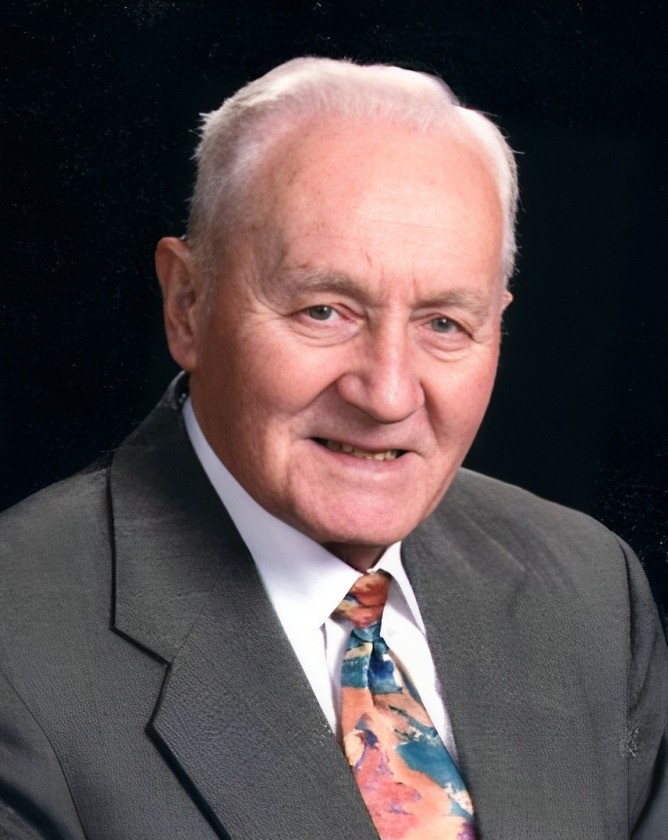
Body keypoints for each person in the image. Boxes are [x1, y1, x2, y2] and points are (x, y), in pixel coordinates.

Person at [0, 57, 666, 840]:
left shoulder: (590, 590)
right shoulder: (19, 641)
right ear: (188, 305)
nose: (387, 394)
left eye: (444, 323)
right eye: (325, 310)